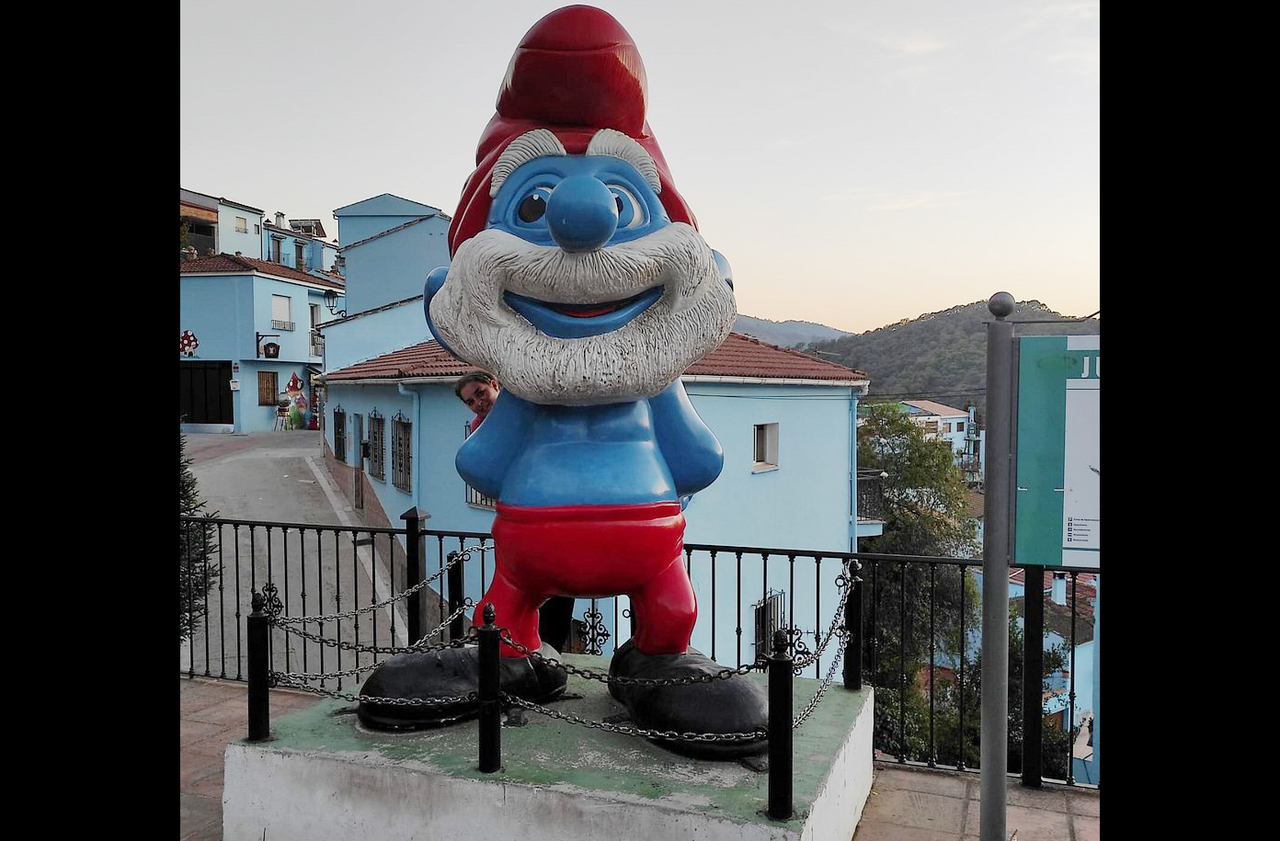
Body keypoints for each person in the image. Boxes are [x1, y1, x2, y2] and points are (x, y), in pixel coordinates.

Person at [455, 372, 576, 652]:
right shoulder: (480, 431)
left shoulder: (527, 406)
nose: (477, 403)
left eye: (480, 393)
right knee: (525, 583)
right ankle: (525, 648)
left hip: (551, 511)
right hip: (520, 517)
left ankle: (550, 649)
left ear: (495, 385)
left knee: (559, 581)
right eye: (470, 401)